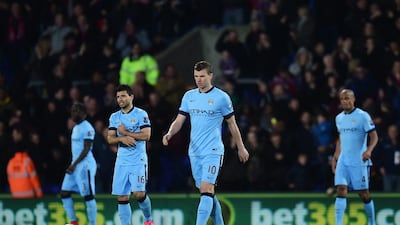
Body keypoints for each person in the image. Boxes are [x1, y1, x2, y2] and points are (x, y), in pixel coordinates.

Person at [162, 60, 249, 225]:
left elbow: (232, 124)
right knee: (206, 191)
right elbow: (180, 120)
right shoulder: (189, 96)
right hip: (194, 151)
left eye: (202, 76)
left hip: (213, 150)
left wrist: (241, 147)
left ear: (210, 76)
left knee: (207, 189)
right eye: (196, 76)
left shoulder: (221, 98)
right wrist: (170, 133)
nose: (199, 80)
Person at [107, 84, 153, 225]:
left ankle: (148, 220)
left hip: (137, 160)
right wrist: (121, 138)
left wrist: (126, 132)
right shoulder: (114, 117)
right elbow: (110, 138)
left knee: (139, 194)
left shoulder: (141, 114)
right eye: (118, 97)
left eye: (123, 96)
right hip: (121, 160)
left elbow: (146, 135)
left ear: (131, 97)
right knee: (122, 196)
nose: (120, 99)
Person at [331, 89, 378, 225]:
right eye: (343, 99)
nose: (345, 101)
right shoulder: (338, 118)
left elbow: (374, 136)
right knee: (340, 189)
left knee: (363, 193)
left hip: (359, 160)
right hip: (343, 160)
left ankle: (371, 221)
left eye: (348, 98)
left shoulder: (363, 116)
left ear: (354, 99)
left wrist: (369, 150)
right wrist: (336, 154)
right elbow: (340, 138)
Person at [60, 102, 97, 225]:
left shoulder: (88, 128)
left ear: (84, 114)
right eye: (72, 110)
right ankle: (74, 222)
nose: (73, 113)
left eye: (77, 111)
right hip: (75, 164)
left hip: (85, 165)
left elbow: (86, 149)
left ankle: (93, 223)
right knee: (64, 192)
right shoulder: (76, 127)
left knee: (88, 196)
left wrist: (74, 164)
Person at [7, 125, 43, 199]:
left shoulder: (11, 162)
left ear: (20, 134)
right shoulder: (26, 161)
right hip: (29, 195)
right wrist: (39, 194)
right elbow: (34, 178)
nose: (13, 136)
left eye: (15, 134)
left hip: (16, 195)